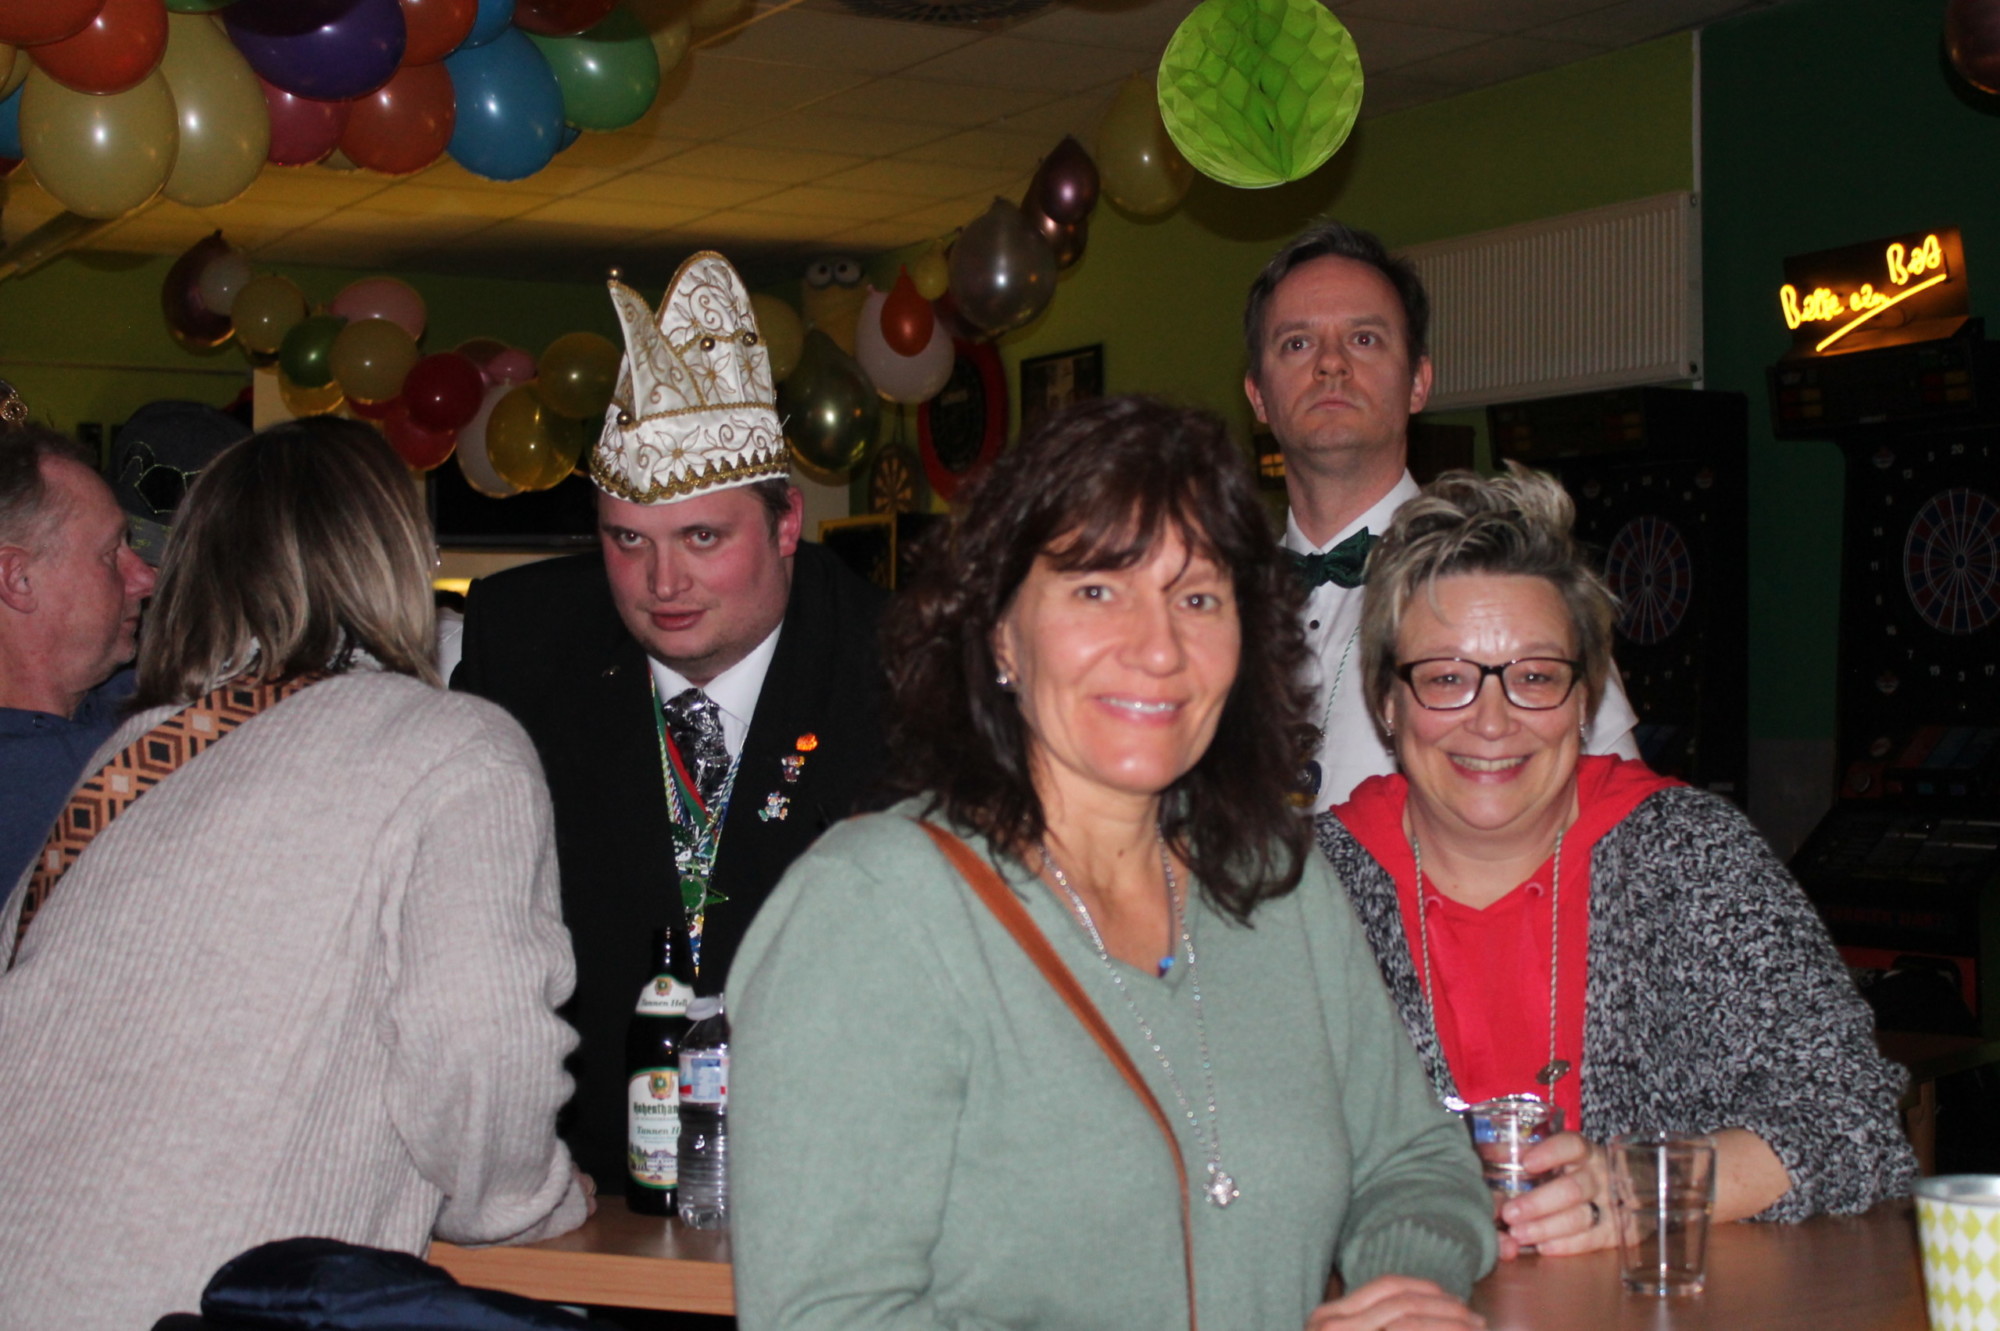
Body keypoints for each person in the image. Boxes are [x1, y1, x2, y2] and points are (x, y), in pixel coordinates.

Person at [728, 397, 1495, 1331]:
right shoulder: (873, 912)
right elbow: (828, 1316)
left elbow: (1416, 1162)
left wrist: (1405, 1291)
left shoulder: (1279, 885)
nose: (1158, 647)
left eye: (1198, 597)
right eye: (1097, 589)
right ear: (1000, 631)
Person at [0, 418, 588, 1328]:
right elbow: (480, 1050)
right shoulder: (453, 745)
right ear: (394, 561)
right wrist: (530, 1200)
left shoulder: (132, 754)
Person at [1316, 465, 1915, 1259]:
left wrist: (1637, 1187)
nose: (1492, 720)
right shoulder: (1301, 892)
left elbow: (1854, 1121)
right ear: (1388, 703)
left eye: (1535, 677)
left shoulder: (1692, 857)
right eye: (1447, 678)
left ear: (1585, 698)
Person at [454, 251, 889, 1192]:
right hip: (580, 1183)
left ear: (785, 524)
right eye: (627, 541)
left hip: (830, 1173)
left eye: (702, 537)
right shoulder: (523, 646)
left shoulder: (901, 669)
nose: (662, 583)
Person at [1242, 222, 1640, 812]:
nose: (1330, 364)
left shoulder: (1514, 586)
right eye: (1297, 343)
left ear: (1418, 383)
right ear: (1257, 395)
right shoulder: (1214, 608)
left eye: (1364, 339)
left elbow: (1623, 823)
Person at [0, 424, 156, 898]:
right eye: (111, 554)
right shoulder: (17, 801)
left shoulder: (154, 702)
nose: (145, 578)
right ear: (18, 579)